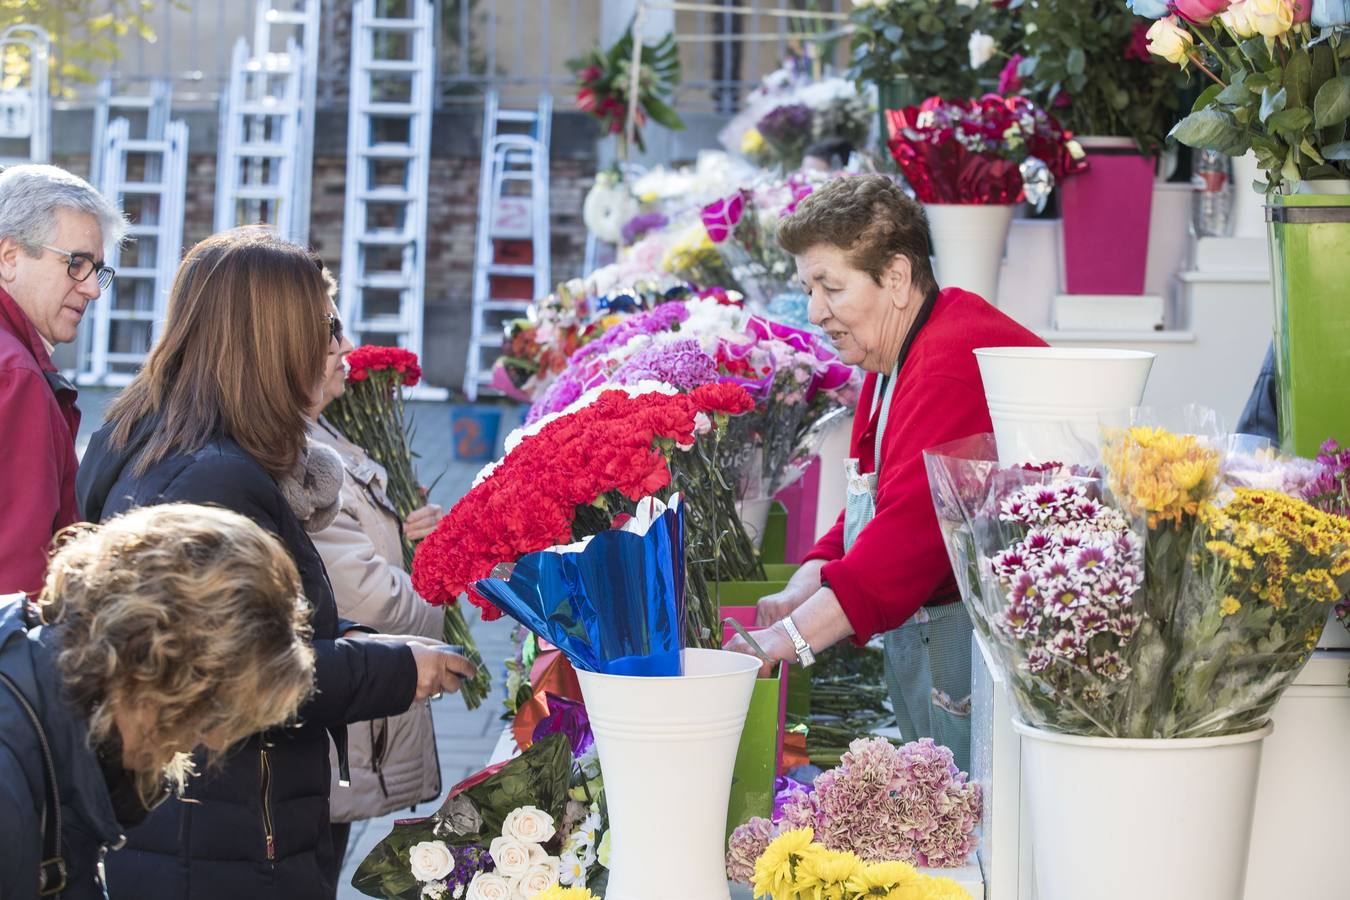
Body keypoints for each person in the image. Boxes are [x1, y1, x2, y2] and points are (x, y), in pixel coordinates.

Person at [76, 227, 476, 900]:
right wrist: (401, 667)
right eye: (322, 327)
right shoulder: (213, 479)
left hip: (194, 824)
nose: (335, 345)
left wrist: (346, 635)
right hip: (215, 839)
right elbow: (240, 676)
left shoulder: (144, 436)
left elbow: (234, 627)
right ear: (271, 339)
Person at [726, 175, 1046, 771]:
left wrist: (788, 640)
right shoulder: (894, 352)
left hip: (989, 644)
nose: (816, 311)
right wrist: (809, 579)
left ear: (895, 278)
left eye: (830, 287)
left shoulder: (948, 364)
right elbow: (875, 493)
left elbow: (907, 542)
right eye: (808, 288)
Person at [0, 503, 317, 900]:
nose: (216, 741)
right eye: (215, 711)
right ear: (153, 666)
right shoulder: (10, 781)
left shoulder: (57, 710)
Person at [306, 304, 446, 876]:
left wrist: (409, 540)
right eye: (332, 330)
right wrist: (437, 594)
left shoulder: (322, 430)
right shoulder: (296, 447)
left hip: (347, 719)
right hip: (334, 726)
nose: (348, 346)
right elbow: (368, 598)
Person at [0, 164, 123, 596]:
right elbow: (18, 586)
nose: (92, 289)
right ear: (9, 256)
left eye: (97, 270)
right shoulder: (15, 376)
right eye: (76, 263)